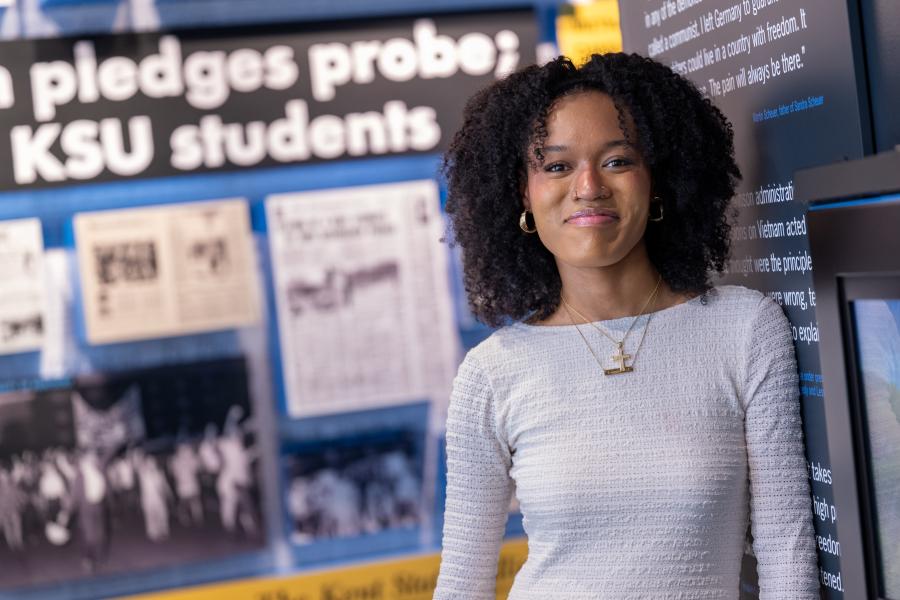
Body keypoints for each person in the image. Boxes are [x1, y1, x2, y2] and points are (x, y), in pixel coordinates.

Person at [433, 53, 819, 598]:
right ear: (523, 192)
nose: (588, 187)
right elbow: (462, 583)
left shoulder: (744, 329)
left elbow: (787, 552)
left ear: (657, 179)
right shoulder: (491, 373)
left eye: (617, 160)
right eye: (556, 166)